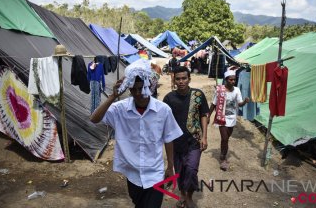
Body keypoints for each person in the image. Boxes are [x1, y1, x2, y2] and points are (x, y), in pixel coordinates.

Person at [90, 59, 183, 208]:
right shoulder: (119, 109)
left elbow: (169, 138)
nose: (139, 93)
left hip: (155, 173)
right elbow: (94, 119)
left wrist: (170, 166)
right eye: (134, 89)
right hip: (132, 174)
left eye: (142, 88)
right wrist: (112, 96)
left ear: (150, 86)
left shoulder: (163, 110)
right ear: (129, 89)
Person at [163, 66, 209, 208]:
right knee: (180, 170)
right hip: (176, 143)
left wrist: (205, 137)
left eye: (184, 78)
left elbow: (203, 115)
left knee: (191, 169)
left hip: (194, 140)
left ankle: (189, 196)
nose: (181, 81)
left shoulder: (198, 95)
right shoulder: (169, 98)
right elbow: (164, 120)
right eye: (178, 79)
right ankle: (182, 194)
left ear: (189, 79)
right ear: (174, 80)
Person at [207, 68, 249, 171]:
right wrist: (208, 116)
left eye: (234, 80)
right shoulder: (220, 90)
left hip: (232, 118)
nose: (233, 81)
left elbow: (239, 103)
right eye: (230, 79)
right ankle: (222, 159)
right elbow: (214, 103)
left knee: (226, 139)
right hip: (221, 117)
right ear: (226, 80)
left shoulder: (237, 90)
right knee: (224, 138)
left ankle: (223, 153)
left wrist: (245, 102)